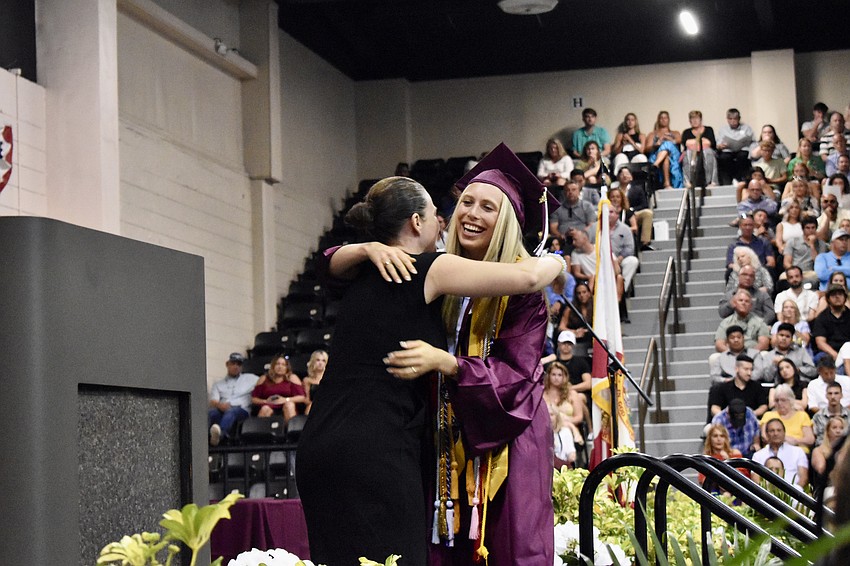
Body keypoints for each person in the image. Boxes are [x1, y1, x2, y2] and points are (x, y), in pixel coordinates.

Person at [296, 172, 565, 566]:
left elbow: (518, 374)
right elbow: (528, 277)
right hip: (402, 446)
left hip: (491, 441)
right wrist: (556, 259)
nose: (464, 214)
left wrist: (450, 364)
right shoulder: (432, 269)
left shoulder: (368, 270)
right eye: (464, 203)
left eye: (487, 207)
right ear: (416, 221)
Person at [208, 352, 260, 446]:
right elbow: (213, 401)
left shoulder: (251, 378)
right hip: (222, 408)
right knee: (211, 413)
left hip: (242, 410)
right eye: (233, 363)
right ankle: (206, 439)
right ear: (227, 364)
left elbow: (265, 380)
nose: (236, 367)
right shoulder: (218, 383)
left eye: (239, 364)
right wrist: (220, 405)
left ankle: (220, 435)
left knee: (232, 411)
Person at [752, 418, 809, 487]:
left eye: (779, 430)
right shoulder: (757, 455)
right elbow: (755, 479)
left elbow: (803, 478)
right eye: (772, 431)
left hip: (793, 491)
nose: (776, 433)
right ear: (766, 434)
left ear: (784, 433)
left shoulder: (798, 452)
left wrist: (793, 491)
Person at [759, 384, 815, 453]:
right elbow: (764, 436)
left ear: (791, 400)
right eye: (777, 400)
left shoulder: (802, 415)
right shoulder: (768, 415)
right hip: (774, 451)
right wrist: (783, 440)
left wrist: (795, 441)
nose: (779, 403)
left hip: (798, 451)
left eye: (783, 400)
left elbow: (810, 440)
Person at [708, 353, 768, 418]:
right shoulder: (722, 388)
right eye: (746, 369)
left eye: (751, 370)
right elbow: (715, 408)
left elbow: (763, 406)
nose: (749, 373)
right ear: (736, 369)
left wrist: (751, 414)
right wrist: (726, 417)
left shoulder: (757, 387)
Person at [251, 354, 307, 420]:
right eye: (277, 364)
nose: (280, 367)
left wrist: (285, 400)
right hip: (268, 405)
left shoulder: (292, 377)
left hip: (287, 404)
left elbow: (302, 397)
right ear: (273, 366)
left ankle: (291, 426)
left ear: (287, 368)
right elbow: (254, 399)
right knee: (265, 408)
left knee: (289, 405)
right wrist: (266, 401)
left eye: (283, 365)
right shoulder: (264, 378)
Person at [542, 361, 584, 446]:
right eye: (553, 374)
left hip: (568, 431)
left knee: (565, 431)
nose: (556, 378)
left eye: (559, 375)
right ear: (548, 376)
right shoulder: (541, 394)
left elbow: (579, 417)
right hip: (546, 429)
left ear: (564, 377)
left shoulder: (572, 394)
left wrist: (562, 422)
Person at [644, 110, 683, 189]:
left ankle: (656, 165)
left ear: (668, 120)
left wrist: (667, 138)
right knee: (666, 157)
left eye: (665, 118)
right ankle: (667, 184)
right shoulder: (652, 134)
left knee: (667, 144)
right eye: (661, 118)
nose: (663, 120)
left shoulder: (675, 133)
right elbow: (646, 149)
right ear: (658, 120)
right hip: (656, 155)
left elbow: (679, 141)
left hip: (673, 156)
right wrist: (655, 145)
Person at [811, 284, 850, 362]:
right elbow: (820, 342)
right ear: (828, 299)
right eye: (833, 295)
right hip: (829, 352)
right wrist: (835, 355)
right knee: (821, 358)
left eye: (840, 294)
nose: (837, 297)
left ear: (845, 298)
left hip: (848, 351)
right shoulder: (822, 318)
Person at [716, 108, 755, 185]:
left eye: (735, 119)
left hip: (742, 149)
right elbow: (718, 143)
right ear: (727, 119)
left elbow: (752, 140)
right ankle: (727, 181)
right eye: (730, 119)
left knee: (743, 156)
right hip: (728, 150)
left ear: (739, 119)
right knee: (724, 158)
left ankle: (741, 180)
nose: (733, 121)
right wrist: (720, 146)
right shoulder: (723, 129)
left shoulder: (746, 128)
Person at [681, 110, 719, 187]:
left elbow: (709, 143)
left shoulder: (708, 129)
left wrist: (694, 142)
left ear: (701, 119)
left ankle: (711, 182)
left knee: (707, 152)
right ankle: (689, 182)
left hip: (707, 152)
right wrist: (701, 141)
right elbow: (687, 144)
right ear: (690, 121)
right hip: (692, 152)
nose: (695, 120)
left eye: (697, 118)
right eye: (692, 118)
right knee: (688, 153)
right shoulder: (686, 132)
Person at [812, 382, 850, 447]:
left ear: (841, 395)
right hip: (825, 449)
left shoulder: (849, 415)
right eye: (830, 393)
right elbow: (818, 439)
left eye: (836, 393)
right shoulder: (818, 416)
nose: (833, 397)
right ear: (826, 396)